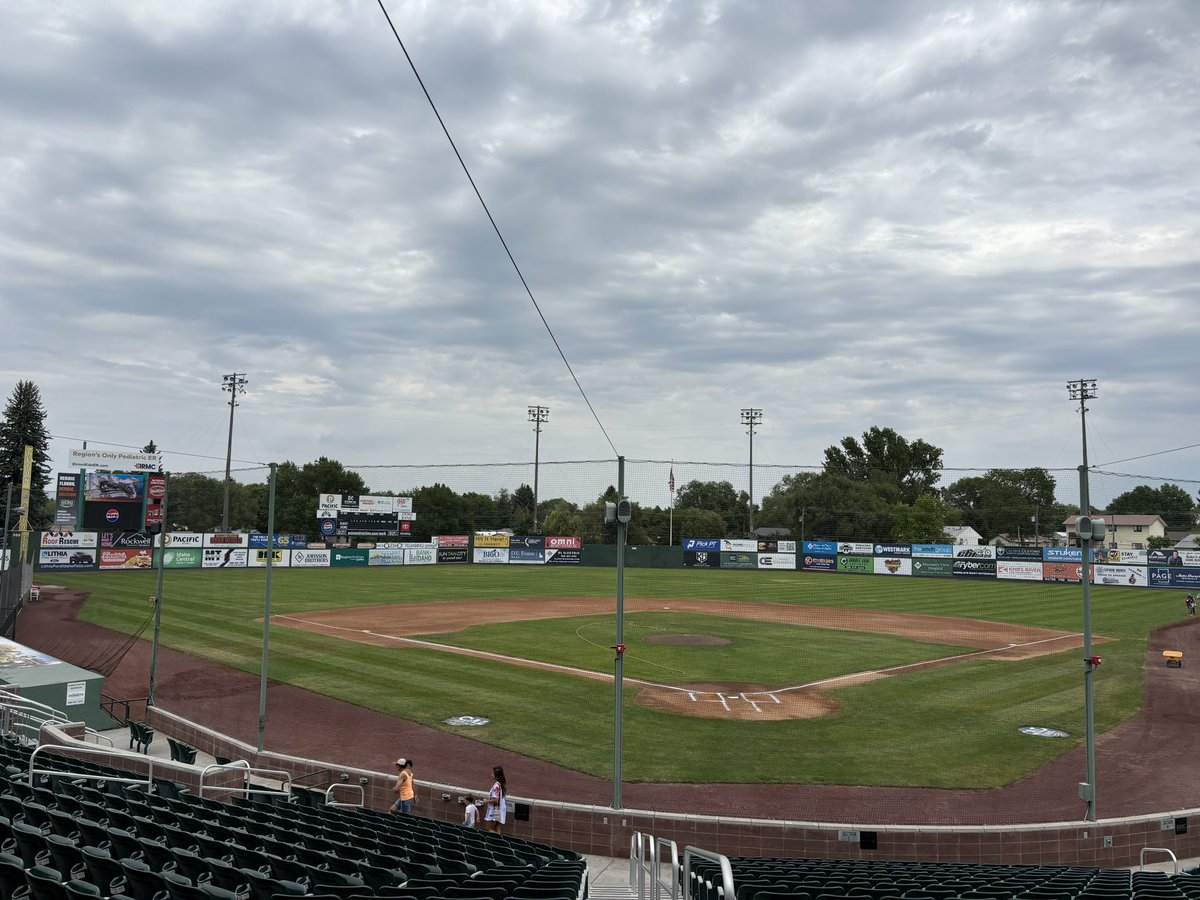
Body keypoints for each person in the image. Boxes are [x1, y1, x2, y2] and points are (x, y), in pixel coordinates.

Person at [484, 766, 507, 834]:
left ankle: (497, 838)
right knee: (497, 827)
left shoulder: (496, 786)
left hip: (495, 810)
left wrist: (486, 801)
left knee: (488, 828)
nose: (492, 775)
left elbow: (495, 801)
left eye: (493, 773)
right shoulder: (502, 783)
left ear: (496, 775)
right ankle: (498, 839)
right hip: (499, 808)